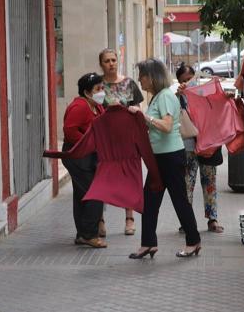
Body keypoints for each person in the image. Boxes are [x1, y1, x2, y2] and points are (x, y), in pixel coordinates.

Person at [127, 58, 201, 259]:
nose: (139, 80)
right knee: (150, 201)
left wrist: (144, 117)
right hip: (158, 158)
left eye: (141, 75)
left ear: (151, 77)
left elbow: (167, 126)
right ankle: (148, 243)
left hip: (170, 157)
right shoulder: (157, 97)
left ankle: (193, 241)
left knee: (179, 200)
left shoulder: (166, 96)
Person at [98, 48, 144, 236]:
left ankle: (129, 218)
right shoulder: (97, 85)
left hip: (126, 138)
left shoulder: (129, 83)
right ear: (101, 64)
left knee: (128, 177)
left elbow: (137, 108)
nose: (111, 64)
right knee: (101, 177)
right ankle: (99, 220)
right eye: (107, 61)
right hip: (105, 139)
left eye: (114, 60)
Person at [176, 63, 224, 233]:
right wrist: (179, 96)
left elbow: (218, 108)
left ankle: (213, 219)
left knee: (209, 182)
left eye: (191, 79)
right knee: (187, 184)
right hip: (188, 145)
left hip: (207, 145)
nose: (189, 83)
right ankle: (186, 221)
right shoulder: (178, 97)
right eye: (184, 81)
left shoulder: (206, 93)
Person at [61, 73, 107, 248]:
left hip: (88, 156)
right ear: (87, 92)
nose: (101, 92)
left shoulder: (96, 106)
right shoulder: (80, 107)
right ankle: (89, 234)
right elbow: (70, 131)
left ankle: (82, 234)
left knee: (82, 195)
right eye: (98, 89)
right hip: (78, 157)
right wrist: (89, 143)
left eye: (102, 88)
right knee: (95, 194)